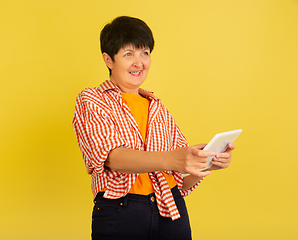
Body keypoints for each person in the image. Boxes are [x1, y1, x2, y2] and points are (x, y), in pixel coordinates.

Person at [72, 16, 235, 240]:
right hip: (121, 212)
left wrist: (205, 163)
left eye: (145, 53)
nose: (139, 62)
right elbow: (112, 158)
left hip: (171, 208)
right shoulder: (92, 99)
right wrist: (175, 159)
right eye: (128, 54)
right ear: (109, 60)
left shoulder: (158, 107)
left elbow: (181, 178)